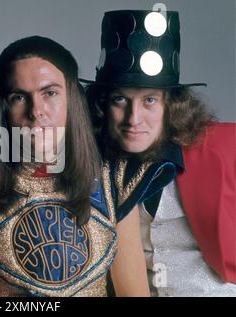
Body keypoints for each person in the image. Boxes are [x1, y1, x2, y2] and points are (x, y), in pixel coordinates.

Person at [0, 36, 151, 296]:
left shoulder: (114, 183)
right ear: (4, 109)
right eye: (18, 97)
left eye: (49, 93)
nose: (36, 110)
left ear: (72, 99)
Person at [85, 10, 236, 296]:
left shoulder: (227, 145)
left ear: (172, 105)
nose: (134, 118)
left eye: (149, 101)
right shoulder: (92, 165)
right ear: (102, 105)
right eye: (120, 99)